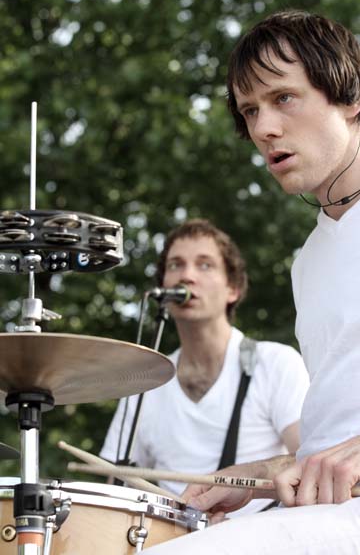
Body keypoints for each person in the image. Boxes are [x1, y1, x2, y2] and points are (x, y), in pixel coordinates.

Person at [144, 11, 360, 554]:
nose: (264, 129)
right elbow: (340, 433)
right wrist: (262, 473)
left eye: (284, 98)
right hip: (336, 508)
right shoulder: (309, 259)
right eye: (250, 111)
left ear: (349, 97)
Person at [101, 218, 309, 515]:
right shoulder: (144, 380)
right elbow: (115, 489)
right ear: (163, 287)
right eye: (175, 265)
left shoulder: (276, 364)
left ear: (233, 289)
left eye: (205, 265)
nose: (187, 275)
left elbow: (309, 458)